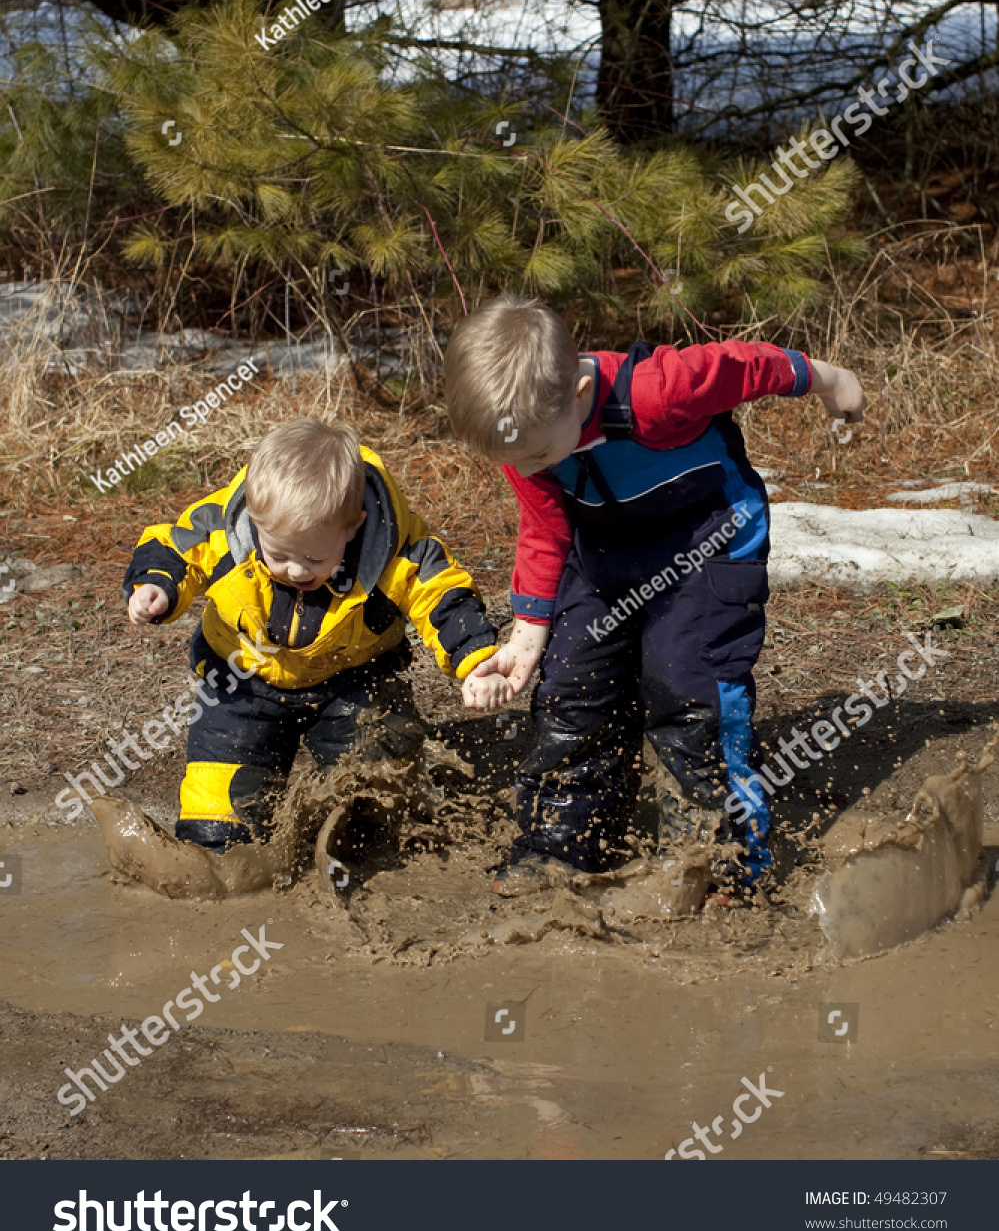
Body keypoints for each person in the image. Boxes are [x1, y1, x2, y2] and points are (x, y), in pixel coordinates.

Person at [445, 296, 864, 898]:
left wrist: (830, 380)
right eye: (516, 459)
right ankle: (563, 846)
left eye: (537, 454)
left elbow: (748, 365)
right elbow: (544, 531)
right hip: (606, 549)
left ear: (583, 393)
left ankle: (716, 860)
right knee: (572, 688)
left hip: (707, 538)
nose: (529, 466)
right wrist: (526, 639)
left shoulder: (659, 390)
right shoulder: (528, 438)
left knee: (688, 685)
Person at [124, 417, 498, 851]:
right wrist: (156, 586)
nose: (297, 570)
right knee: (218, 825)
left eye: (316, 557)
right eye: (279, 553)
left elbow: (442, 596)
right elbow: (175, 547)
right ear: (256, 520)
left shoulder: (398, 550)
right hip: (243, 682)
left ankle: (361, 844)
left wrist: (477, 661)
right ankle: (225, 847)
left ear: (353, 527)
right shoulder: (225, 528)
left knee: (378, 808)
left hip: (354, 680)